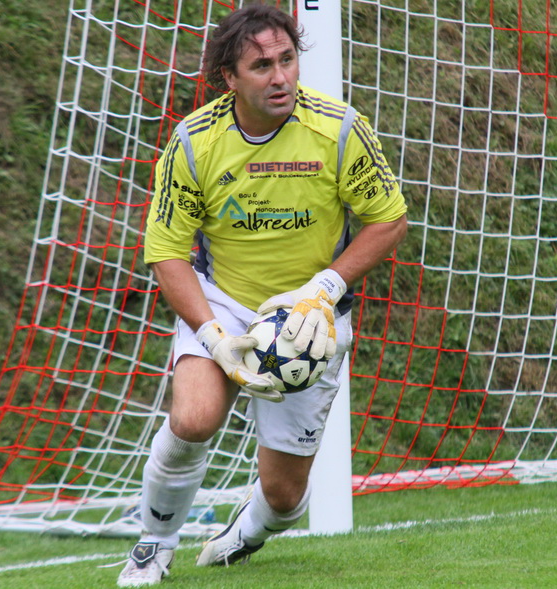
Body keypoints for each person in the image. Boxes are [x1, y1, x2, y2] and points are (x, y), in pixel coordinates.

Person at [117, 4, 408, 586]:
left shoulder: (340, 129)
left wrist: (324, 288)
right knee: (194, 418)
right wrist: (211, 335)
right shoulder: (194, 142)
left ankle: (245, 533)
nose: (280, 77)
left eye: (287, 60)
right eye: (261, 66)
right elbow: (166, 252)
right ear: (229, 77)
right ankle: (154, 544)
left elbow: (389, 219)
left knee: (284, 497)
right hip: (224, 300)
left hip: (311, 318)